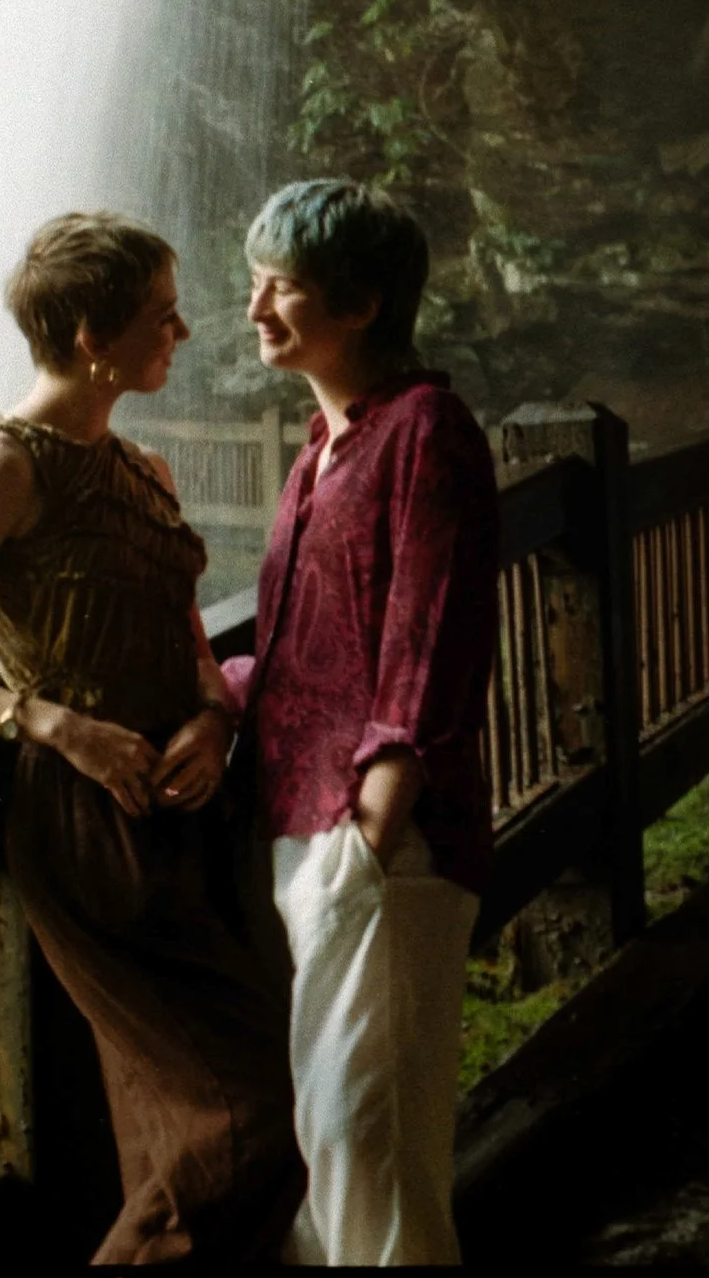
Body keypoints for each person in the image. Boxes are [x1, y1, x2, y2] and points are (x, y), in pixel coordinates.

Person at [0, 211, 304, 1264]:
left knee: (189, 1126)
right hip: (86, 822)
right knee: (244, 1121)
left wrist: (212, 715)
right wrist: (50, 724)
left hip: (194, 810)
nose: (185, 332)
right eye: (160, 315)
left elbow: (188, 647)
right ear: (84, 337)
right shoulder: (3, 465)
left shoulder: (143, 469)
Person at [220, 180, 499, 1266]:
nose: (255, 311)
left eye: (280, 288)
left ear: (361, 303)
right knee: (335, 1137)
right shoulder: (320, 449)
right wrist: (217, 697)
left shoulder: (425, 430)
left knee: (365, 1140)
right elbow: (308, 650)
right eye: (254, 286)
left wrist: (376, 823)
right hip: (312, 828)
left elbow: (429, 629)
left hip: (383, 838)